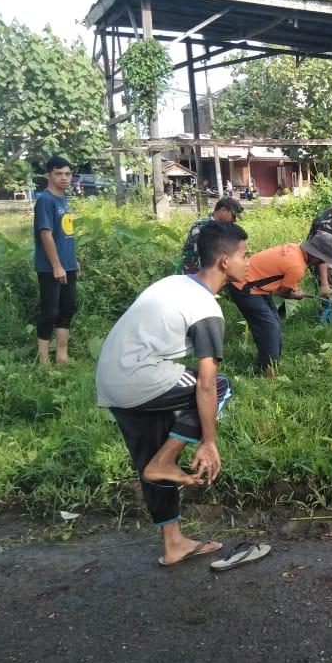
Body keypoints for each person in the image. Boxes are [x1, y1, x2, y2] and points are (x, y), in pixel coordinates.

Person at [95, 221, 252, 566]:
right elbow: (208, 384)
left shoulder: (175, 282)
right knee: (221, 387)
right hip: (137, 377)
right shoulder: (206, 308)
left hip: (110, 379)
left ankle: (174, 544)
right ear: (224, 261)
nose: (249, 263)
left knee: (153, 464)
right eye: (245, 255)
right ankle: (167, 460)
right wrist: (208, 441)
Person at [228, 231, 332, 377]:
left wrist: (290, 288)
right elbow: (283, 293)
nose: (320, 262)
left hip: (255, 286)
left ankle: (272, 362)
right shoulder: (297, 267)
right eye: (321, 259)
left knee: (274, 323)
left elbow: (279, 276)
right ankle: (269, 373)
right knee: (270, 328)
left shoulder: (295, 249)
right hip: (245, 287)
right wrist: (296, 294)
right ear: (315, 254)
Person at [33, 155, 79, 366]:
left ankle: (62, 356)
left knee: (67, 309)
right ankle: (43, 361)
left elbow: (64, 235)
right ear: (48, 175)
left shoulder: (63, 200)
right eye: (59, 173)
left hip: (68, 266)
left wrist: (72, 261)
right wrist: (56, 265)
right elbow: (46, 234)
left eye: (67, 174)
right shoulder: (45, 200)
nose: (64, 178)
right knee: (49, 311)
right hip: (50, 268)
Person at [180, 197, 244, 274]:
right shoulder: (203, 225)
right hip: (193, 270)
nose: (234, 221)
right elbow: (203, 252)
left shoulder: (221, 226)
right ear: (223, 210)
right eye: (233, 217)